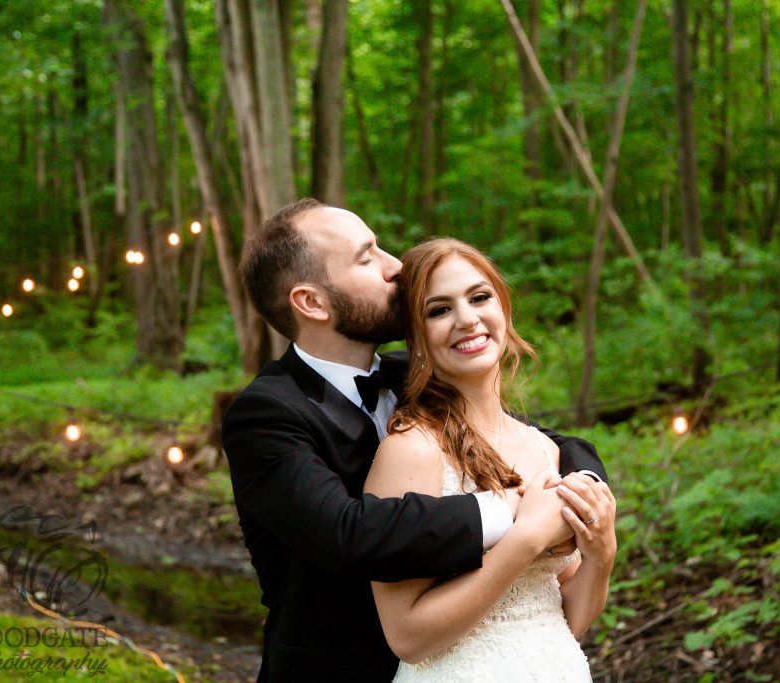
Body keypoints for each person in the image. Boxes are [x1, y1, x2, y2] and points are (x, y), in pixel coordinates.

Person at [222, 199, 609, 681]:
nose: (396, 267)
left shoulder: (416, 375)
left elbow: (534, 440)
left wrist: (582, 488)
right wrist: (515, 510)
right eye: (367, 257)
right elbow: (347, 535)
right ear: (312, 302)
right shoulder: (266, 414)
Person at [365, 238, 617, 682]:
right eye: (439, 310)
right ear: (416, 335)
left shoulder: (546, 449)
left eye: (479, 297)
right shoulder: (411, 449)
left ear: (503, 307)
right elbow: (407, 636)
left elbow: (566, 618)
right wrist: (526, 540)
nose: (467, 319)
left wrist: (601, 555)